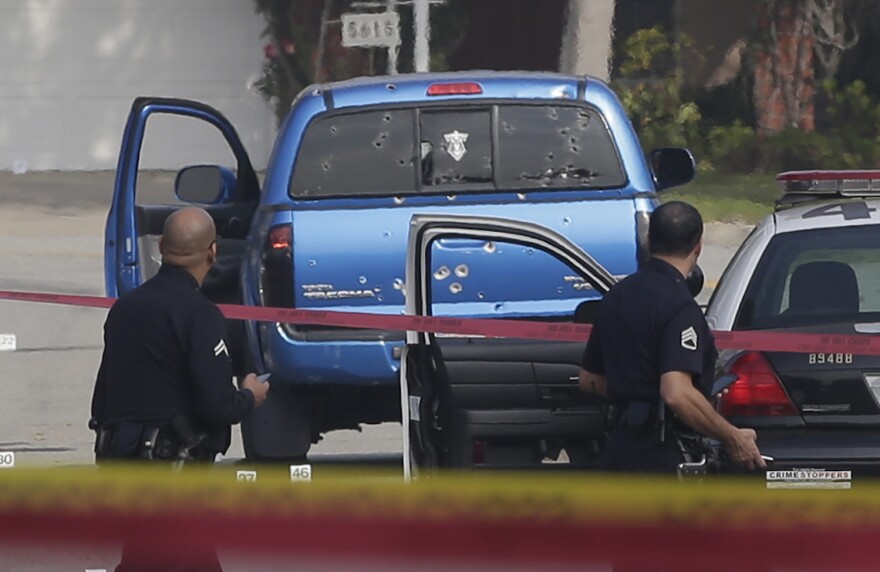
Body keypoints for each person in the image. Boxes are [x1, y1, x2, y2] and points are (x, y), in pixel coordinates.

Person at [90, 206, 270, 571]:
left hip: (124, 466)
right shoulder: (200, 315)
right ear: (213, 251)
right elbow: (218, 405)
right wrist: (250, 395)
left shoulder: (125, 309)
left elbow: (103, 398)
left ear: (161, 245)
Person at [578, 201, 764, 474]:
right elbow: (677, 393)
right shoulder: (679, 307)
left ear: (649, 241)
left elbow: (590, 380)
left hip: (618, 451)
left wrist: (636, 393)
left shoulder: (617, 296)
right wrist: (733, 437)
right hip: (662, 455)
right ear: (698, 247)